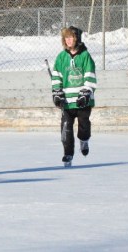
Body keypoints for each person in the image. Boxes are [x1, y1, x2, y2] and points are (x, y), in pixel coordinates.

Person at [50, 26, 96, 167]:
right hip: (67, 102)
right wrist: (57, 92)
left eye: (71, 37)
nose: (68, 40)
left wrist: (86, 92)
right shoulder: (61, 57)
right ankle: (68, 154)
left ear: (77, 39)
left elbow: (90, 75)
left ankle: (84, 140)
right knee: (66, 128)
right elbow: (57, 76)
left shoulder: (85, 56)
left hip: (83, 101)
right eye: (66, 38)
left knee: (83, 125)